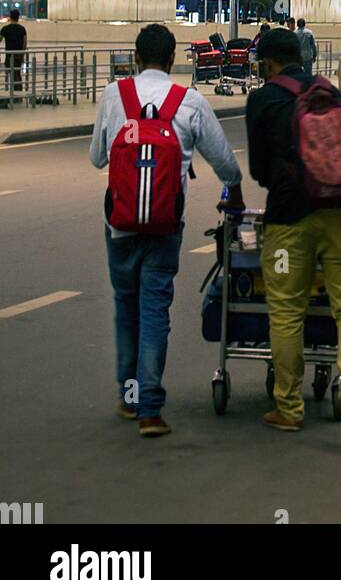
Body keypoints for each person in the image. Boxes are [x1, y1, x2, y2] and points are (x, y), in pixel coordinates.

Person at [90, 24, 245, 437]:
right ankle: (150, 411)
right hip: (165, 225)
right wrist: (235, 190)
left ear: (136, 58)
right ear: (173, 58)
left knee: (126, 305)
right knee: (154, 308)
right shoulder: (189, 101)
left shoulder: (113, 95)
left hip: (119, 225)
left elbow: (97, 159)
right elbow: (225, 162)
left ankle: (129, 396)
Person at [247, 28, 341, 439]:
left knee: (286, 311)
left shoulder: (264, 99)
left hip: (290, 219)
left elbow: (259, 171)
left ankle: (289, 407)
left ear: (268, 63)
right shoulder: (330, 92)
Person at [0, 8, 27, 93]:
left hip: (9, 55)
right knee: (17, 74)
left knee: (11, 75)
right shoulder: (22, 29)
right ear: (18, 17)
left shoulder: (5, 29)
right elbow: (24, 43)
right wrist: (22, 56)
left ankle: (12, 94)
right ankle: (18, 94)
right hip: (18, 55)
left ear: (10, 17)